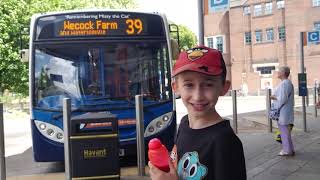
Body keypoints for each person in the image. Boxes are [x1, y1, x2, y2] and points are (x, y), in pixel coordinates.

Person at [148, 46, 246, 180]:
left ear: (224, 87)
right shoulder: (184, 123)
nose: (198, 96)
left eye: (208, 84)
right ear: (176, 88)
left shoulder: (224, 142)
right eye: (189, 85)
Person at [270, 66, 295, 156]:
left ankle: (287, 150)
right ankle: (290, 149)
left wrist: (274, 97)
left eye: (279, 71)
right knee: (285, 132)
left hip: (283, 112)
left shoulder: (285, 84)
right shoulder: (287, 83)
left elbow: (282, 98)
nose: (277, 72)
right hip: (286, 111)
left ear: (283, 73)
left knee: (284, 132)